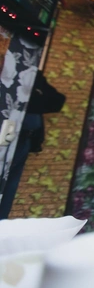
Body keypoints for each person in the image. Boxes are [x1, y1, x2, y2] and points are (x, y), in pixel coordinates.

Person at [0, 70, 66, 218]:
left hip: (22, 140)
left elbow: (57, 101)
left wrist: (35, 81)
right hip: (9, 139)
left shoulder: (28, 86)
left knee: (8, 191)